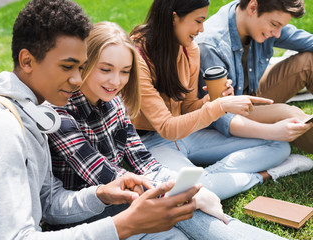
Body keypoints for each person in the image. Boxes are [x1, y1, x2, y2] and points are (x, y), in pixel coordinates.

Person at [0, 1, 212, 239]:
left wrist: (101, 194)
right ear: (27, 61)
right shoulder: (0, 128)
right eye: (68, 67)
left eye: (81, 67)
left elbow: (49, 201)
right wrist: (123, 225)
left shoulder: (34, 110)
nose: (78, 80)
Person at [48, 20, 285, 240]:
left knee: (186, 211)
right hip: (86, 211)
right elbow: (103, 174)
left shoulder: (114, 101)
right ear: (85, 64)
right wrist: (174, 193)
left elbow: (142, 159)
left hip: (126, 195)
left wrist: (182, 188)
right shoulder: (61, 112)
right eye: (106, 69)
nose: (116, 81)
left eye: (124, 71)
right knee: (182, 213)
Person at [127, 0, 308, 201]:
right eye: (198, 21)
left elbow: (187, 108)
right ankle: (259, 176)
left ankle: (209, 178)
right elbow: (166, 128)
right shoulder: (137, 57)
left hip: (188, 134)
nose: (201, 29)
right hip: (151, 141)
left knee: (279, 146)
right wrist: (219, 106)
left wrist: (212, 101)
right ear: (173, 17)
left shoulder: (189, 49)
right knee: (187, 193)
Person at [195, 0, 313, 156]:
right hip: (229, 115)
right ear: (252, 7)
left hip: (252, 93)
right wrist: (271, 131)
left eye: (281, 27)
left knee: (308, 62)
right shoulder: (211, 45)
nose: (278, 34)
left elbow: (307, 41)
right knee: (288, 114)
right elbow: (220, 116)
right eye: (274, 25)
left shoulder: (255, 18)